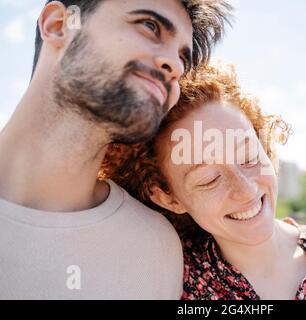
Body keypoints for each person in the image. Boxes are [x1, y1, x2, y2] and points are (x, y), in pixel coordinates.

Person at [0, 0, 231, 299]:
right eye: (150, 26)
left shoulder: (155, 248)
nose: (175, 68)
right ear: (59, 26)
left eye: (182, 62)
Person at [101, 65, 306, 300]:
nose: (246, 191)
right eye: (210, 179)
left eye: (249, 157)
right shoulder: (170, 284)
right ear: (167, 197)